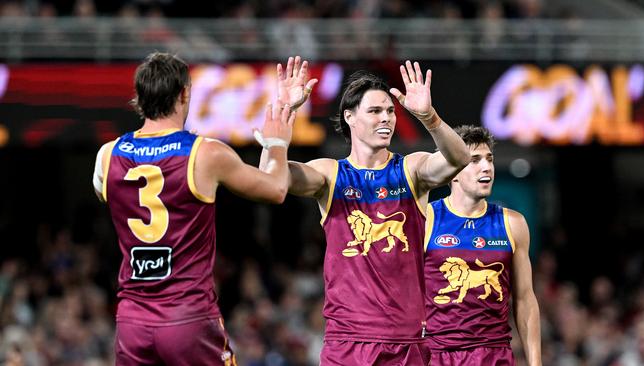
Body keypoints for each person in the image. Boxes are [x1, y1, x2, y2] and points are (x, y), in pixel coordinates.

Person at [91, 52, 297, 366]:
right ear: (185, 93)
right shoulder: (206, 153)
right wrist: (277, 144)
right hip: (188, 319)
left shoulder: (108, 155)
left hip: (132, 323)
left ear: (139, 98)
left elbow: (106, 193)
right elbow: (277, 189)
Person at [265, 56, 471, 365]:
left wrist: (430, 117)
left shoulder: (411, 169)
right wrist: (285, 112)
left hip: (408, 340)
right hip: (347, 341)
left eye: (390, 111)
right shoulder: (331, 175)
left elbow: (459, 159)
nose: (386, 118)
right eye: (375, 111)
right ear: (350, 117)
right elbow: (269, 180)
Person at [422, 125, 542, 365]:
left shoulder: (513, 223)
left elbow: (524, 299)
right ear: (453, 170)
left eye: (489, 159)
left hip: (493, 355)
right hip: (435, 356)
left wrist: (535, 362)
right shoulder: (426, 219)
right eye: (474, 160)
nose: (486, 167)